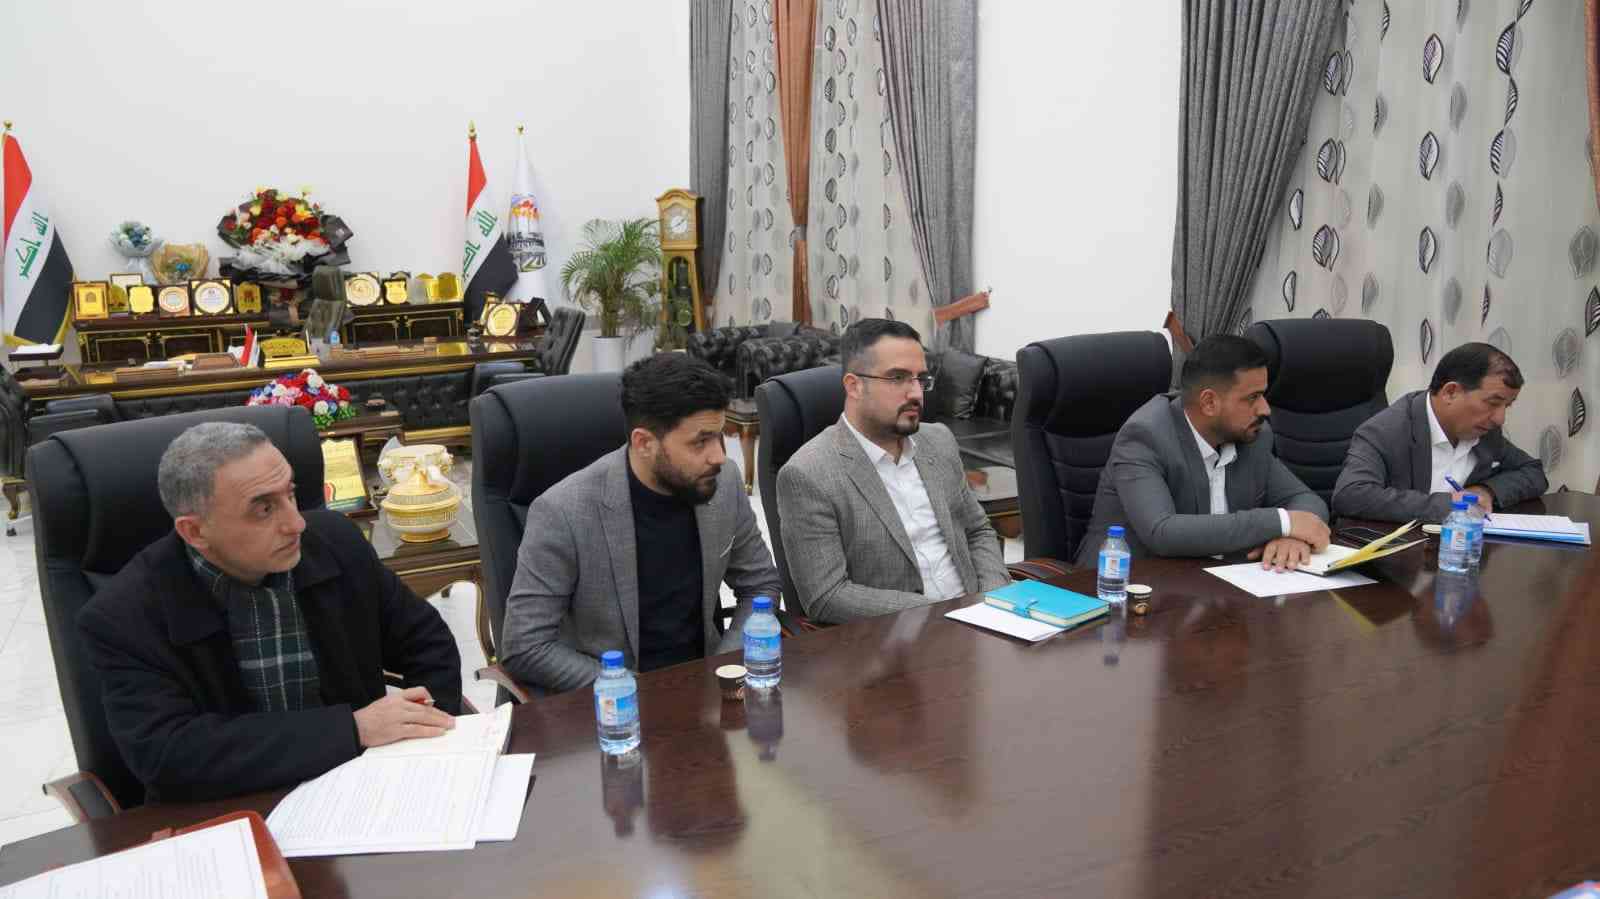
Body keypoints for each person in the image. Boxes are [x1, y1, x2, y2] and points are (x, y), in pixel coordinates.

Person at [78, 422, 461, 804]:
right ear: (194, 532)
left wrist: (428, 740)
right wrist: (352, 729)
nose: (296, 523)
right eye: (264, 509)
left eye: (290, 495)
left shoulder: (335, 542)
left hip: (359, 788)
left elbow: (427, 642)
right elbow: (169, 755)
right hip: (229, 811)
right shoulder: (121, 616)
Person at [500, 353, 782, 694]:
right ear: (644, 443)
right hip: (613, 703)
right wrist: (635, 690)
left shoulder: (723, 483)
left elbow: (760, 585)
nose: (719, 456)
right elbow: (525, 645)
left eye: (720, 436)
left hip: (706, 688)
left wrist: (723, 666)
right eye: (700, 441)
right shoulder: (563, 512)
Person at [776, 319, 1010, 623]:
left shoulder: (939, 440)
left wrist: (994, 600)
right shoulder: (809, 473)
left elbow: (977, 530)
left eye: (920, 379)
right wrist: (939, 616)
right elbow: (827, 596)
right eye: (898, 378)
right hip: (896, 637)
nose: (916, 394)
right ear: (854, 386)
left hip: (980, 620)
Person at [1078, 334, 1330, 570]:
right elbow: (1162, 532)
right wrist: (1282, 523)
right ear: (1209, 402)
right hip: (1120, 585)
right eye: (1252, 397)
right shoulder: (1144, 437)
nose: (1265, 409)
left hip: (1217, 585)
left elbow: (1306, 501)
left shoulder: (1253, 437)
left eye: (1263, 395)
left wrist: (1292, 539)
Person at [1332, 342, 1546, 522]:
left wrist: (1485, 490)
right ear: (1450, 392)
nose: (1500, 419)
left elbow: (1533, 472)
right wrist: (1450, 505)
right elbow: (1350, 495)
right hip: (1396, 551)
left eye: (1507, 406)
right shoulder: (1385, 431)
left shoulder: (1485, 431)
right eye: (1493, 403)